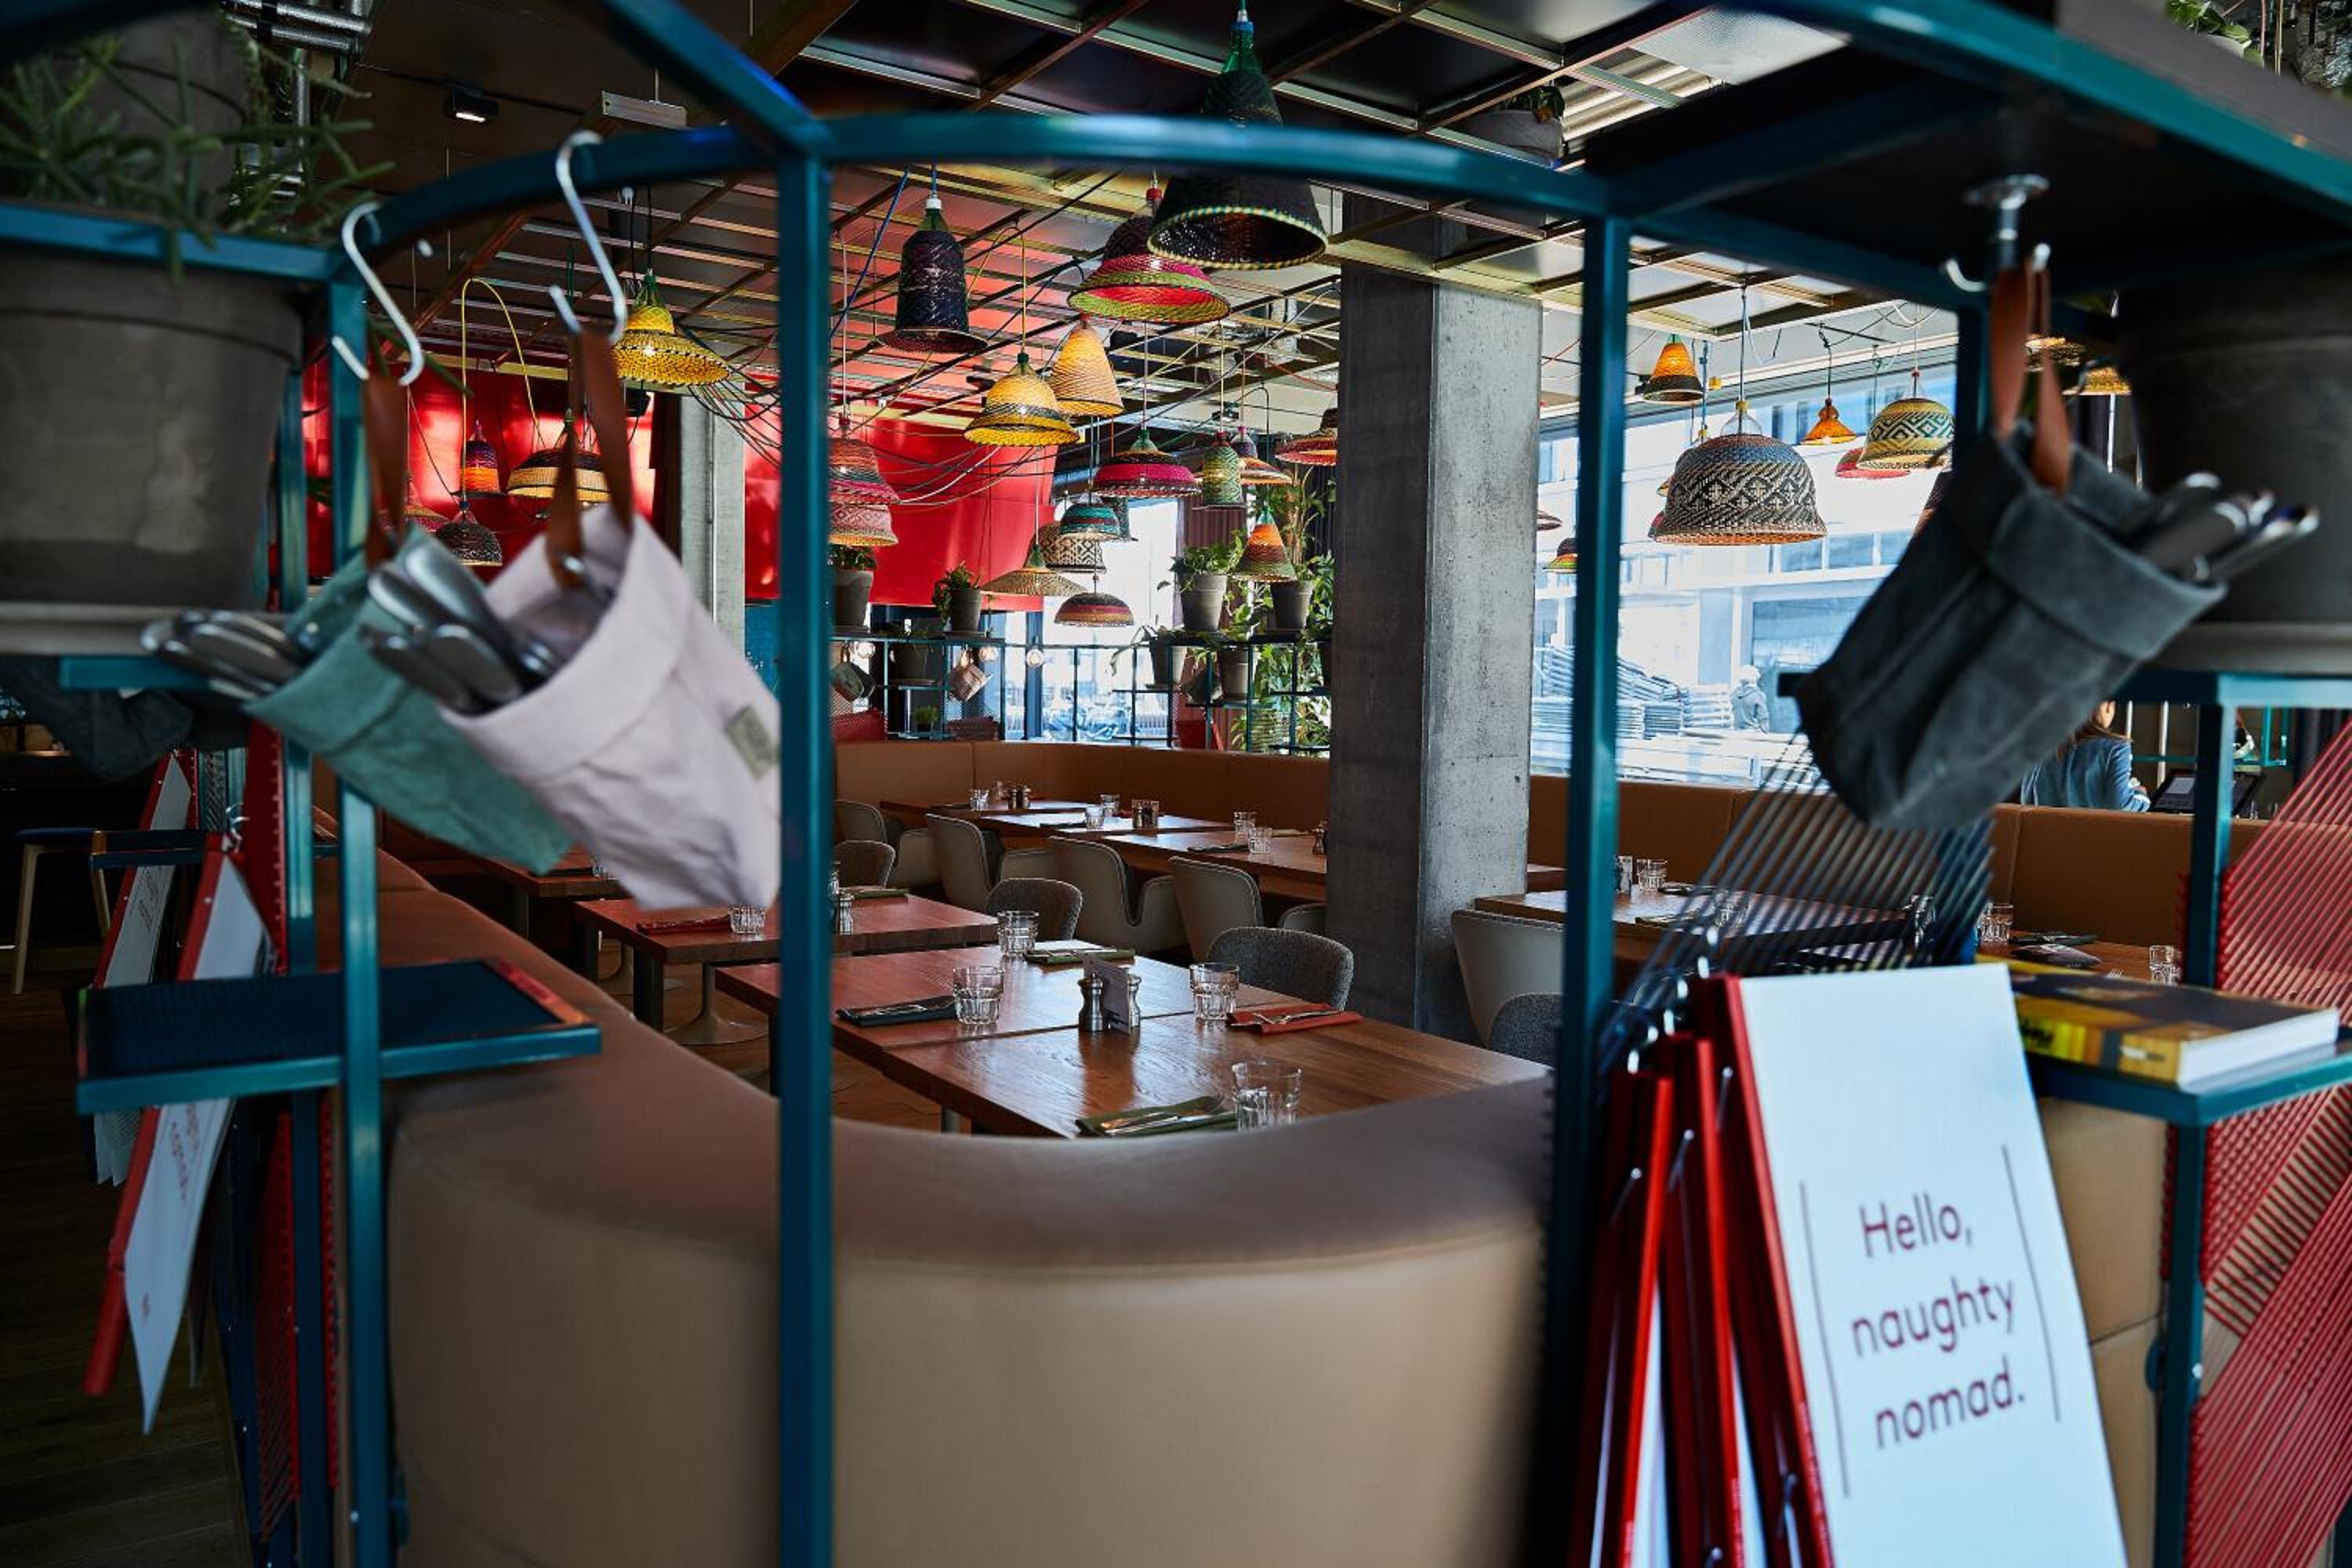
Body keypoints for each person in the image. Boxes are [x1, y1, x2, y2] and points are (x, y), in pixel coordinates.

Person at [2019, 702, 2150, 811]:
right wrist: (2141, 796)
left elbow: (2026, 799)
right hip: (2091, 834)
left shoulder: (2040, 748)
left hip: (2042, 833)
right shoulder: (2116, 748)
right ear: (2108, 707)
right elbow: (2121, 804)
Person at [1730, 664, 1771, 731]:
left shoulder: (1734, 695)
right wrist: (1764, 731)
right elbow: (1763, 718)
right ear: (1755, 678)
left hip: (1736, 732)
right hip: (1752, 733)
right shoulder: (1758, 695)